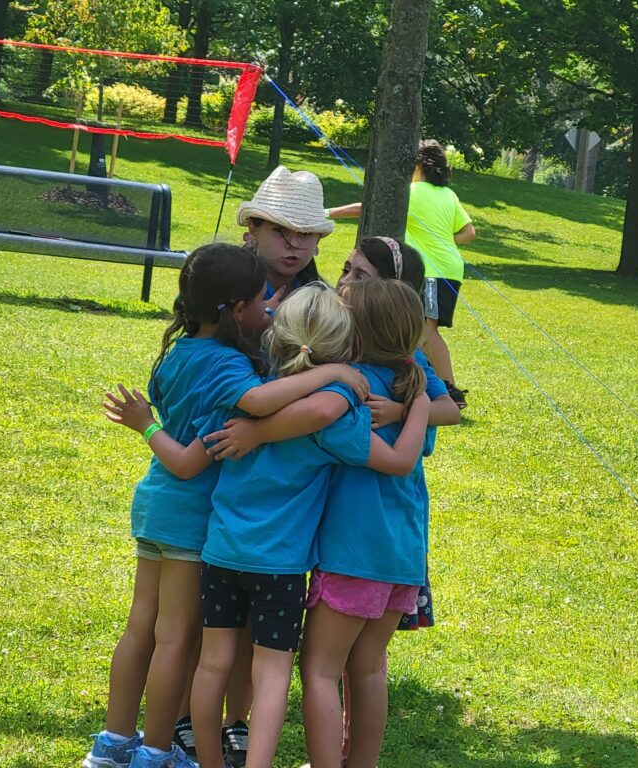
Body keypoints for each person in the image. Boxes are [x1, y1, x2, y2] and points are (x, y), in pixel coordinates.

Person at [90, 244, 365, 768]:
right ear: (236, 308)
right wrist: (333, 373)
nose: (268, 311)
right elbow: (256, 408)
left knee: (139, 627)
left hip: (154, 506)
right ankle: (153, 750)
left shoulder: (178, 354)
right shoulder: (226, 366)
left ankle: (112, 742)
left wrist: (147, 424)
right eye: (263, 302)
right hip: (192, 519)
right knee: (174, 638)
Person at [187, 283, 429, 768]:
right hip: (362, 558)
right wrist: (417, 407)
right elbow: (400, 451)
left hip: (249, 553)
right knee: (356, 669)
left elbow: (292, 413)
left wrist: (255, 431)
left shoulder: (250, 393)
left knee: (284, 668)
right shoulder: (397, 389)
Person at [172, 163, 346, 767]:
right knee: (196, 618)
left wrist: (259, 431)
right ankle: (187, 723)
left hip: (282, 496)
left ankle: (238, 724)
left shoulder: (323, 301)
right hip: (211, 484)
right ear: (252, 228)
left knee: (249, 633)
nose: (296, 244)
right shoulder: (220, 284)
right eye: (282, 230)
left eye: (309, 234)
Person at [300, 278, 432, 768]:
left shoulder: (349, 387)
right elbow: (424, 442)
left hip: (353, 554)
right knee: (369, 668)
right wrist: (416, 408)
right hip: (403, 554)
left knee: (319, 670)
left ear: (351, 331)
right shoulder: (412, 386)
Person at [329, 140, 476, 408]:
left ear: (417, 164)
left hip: (431, 268)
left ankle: (450, 389)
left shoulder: (411, 191)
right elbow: (469, 233)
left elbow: (364, 208)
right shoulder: (448, 195)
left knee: (425, 328)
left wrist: (329, 212)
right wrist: (443, 241)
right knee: (423, 326)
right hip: (451, 268)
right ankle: (423, 381)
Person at [239, 165, 334, 307]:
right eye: (280, 230)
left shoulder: (323, 304)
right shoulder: (231, 290)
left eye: (306, 233)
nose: (293, 244)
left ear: (318, 239)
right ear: (253, 228)